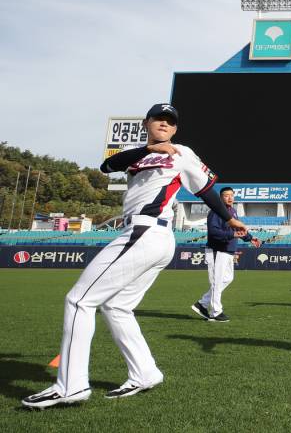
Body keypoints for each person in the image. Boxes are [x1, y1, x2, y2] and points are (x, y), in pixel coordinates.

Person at [22, 103, 247, 409]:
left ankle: (70, 386)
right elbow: (107, 166)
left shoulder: (182, 153)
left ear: (176, 128)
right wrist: (149, 149)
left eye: (170, 121)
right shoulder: (136, 153)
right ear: (147, 123)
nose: (165, 124)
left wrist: (230, 218)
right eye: (159, 119)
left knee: (79, 300)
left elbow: (206, 190)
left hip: (148, 232)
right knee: (116, 306)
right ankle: (145, 373)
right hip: (146, 236)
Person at [191, 187, 261, 323]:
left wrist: (250, 238)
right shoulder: (216, 212)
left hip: (228, 250)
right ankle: (216, 312)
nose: (230, 198)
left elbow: (238, 229)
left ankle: (202, 304)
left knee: (228, 278)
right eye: (226, 195)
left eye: (231, 195)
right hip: (217, 250)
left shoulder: (233, 212)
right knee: (216, 282)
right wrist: (232, 234)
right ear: (220, 198)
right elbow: (213, 233)